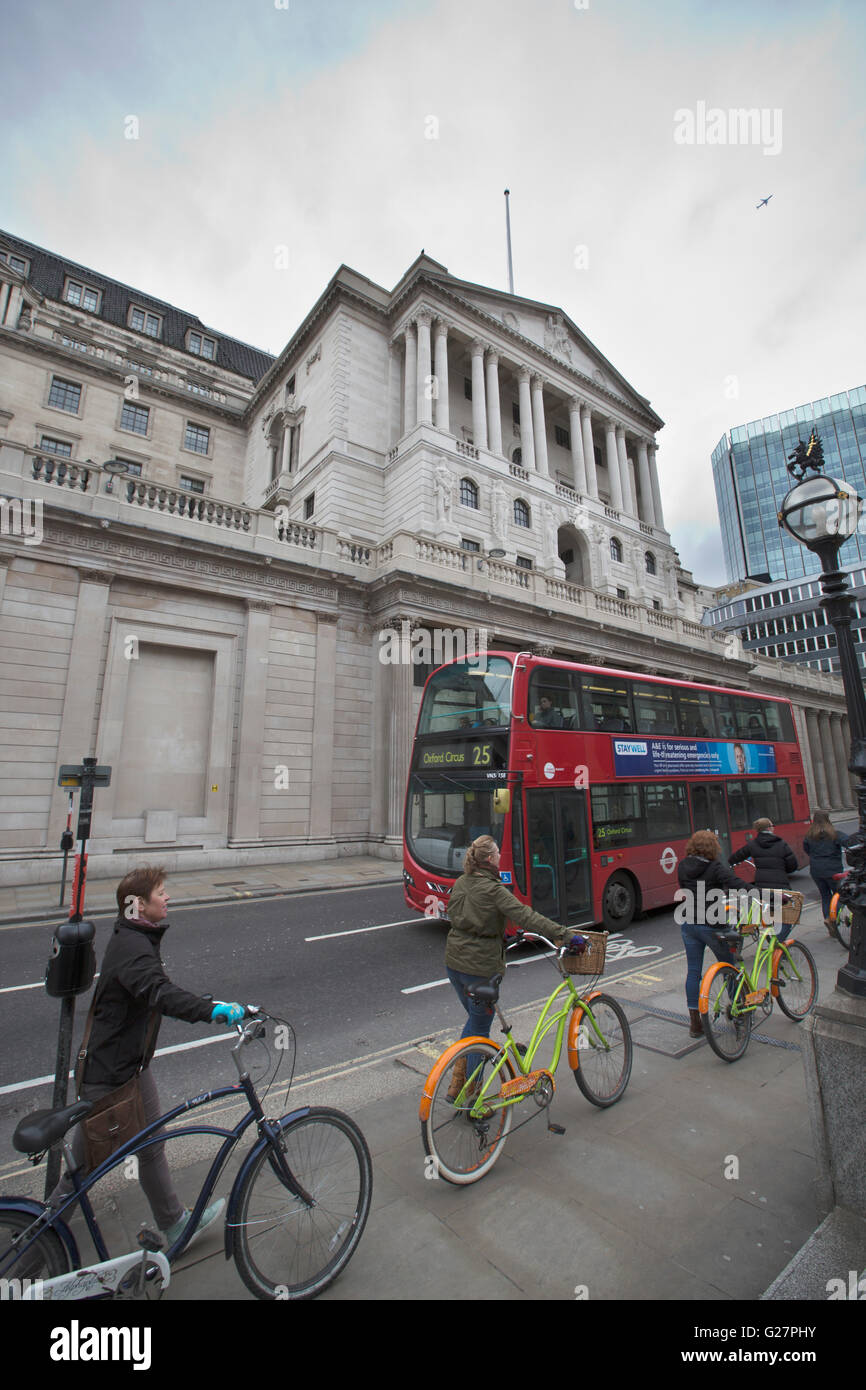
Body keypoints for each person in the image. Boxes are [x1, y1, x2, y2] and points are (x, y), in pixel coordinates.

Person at [50, 867, 246, 1246]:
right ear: (138, 905)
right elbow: (160, 993)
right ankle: (36, 1245)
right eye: (160, 892)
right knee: (82, 1172)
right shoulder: (133, 949)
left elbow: (155, 991)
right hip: (109, 1077)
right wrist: (216, 1011)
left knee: (152, 1146)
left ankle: (174, 1224)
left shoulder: (134, 936)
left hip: (130, 1069)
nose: (167, 897)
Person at [444, 835, 578, 1097]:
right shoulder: (494, 890)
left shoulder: (462, 882)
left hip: (454, 963)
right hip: (480, 967)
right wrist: (563, 933)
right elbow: (526, 916)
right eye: (497, 853)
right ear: (490, 859)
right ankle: (471, 1095)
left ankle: (455, 1084)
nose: (500, 857)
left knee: (474, 1021)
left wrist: (494, 930)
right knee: (480, 1030)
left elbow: (458, 914)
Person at [678, 830, 750, 1038]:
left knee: (693, 972)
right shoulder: (714, 867)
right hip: (713, 925)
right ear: (712, 847)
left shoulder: (683, 865)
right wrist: (761, 893)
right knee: (729, 967)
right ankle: (739, 1013)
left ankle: (695, 1023)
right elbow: (737, 885)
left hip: (689, 923)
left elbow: (684, 888)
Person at [803, 808, 851, 931]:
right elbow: (850, 843)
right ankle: (832, 918)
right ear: (827, 819)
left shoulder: (809, 836)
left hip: (816, 871)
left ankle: (829, 922)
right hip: (833, 870)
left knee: (825, 896)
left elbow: (807, 850)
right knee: (840, 894)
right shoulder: (835, 834)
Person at [728, 818, 797, 894]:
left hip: (762, 886)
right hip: (781, 885)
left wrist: (733, 862)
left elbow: (734, 858)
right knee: (782, 904)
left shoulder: (752, 845)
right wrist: (781, 871)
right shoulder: (781, 844)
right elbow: (793, 866)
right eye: (772, 825)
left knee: (765, 904)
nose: (773, 827)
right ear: (768, 828)